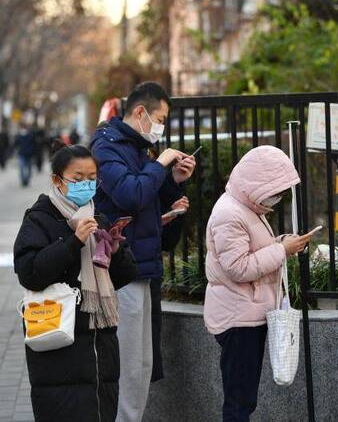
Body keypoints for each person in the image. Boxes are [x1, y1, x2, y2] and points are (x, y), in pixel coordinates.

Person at [90, 81, 195, 422]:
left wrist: (175, 180)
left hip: (145, 267)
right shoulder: (106, 147)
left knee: (144, 362)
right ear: (140, 112)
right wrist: (161, 162)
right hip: (123, 269)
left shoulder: (138, 148)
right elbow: (132, 193)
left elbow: (149, 195)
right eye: (160, 118)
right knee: (129, 362)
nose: (161, 127)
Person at [13, 142, 138, 421]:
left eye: (92, 179)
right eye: (78, 179)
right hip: (60, 345)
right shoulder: (39, 219)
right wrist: (74, 242)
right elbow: (30, 272)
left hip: (100, 347)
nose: (86, 185)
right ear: (57, 180)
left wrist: (115, 251)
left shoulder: (98, 218)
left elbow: (124, 276)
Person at [204, 145, 313, 421]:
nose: (276, 197)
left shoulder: (247, 208)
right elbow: (239, 267)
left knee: (243, 397)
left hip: (247, 312)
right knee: (239, 400)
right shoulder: (230, 213)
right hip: (238, 317)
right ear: (257, 184)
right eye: (274, 190)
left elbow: (251, 252)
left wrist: (281, 244)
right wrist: (282, 250)